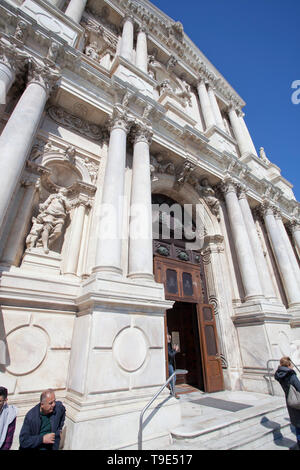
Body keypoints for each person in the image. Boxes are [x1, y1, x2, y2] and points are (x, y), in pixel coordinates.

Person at [274, 356, 300, 449]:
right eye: (291, 364)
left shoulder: (280, 375)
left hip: (290, 401)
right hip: (298, 401)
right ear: (289, 364)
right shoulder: (291, 375)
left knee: (297, 425)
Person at [167, 333, 179, 399]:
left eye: (170, 338)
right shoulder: (166, 345)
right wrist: (176, 351)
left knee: (172, 377)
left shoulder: (168, 345)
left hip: (170, 363)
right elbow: (170, 355)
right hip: (168, 364)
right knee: (173, 377)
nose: (170, 338)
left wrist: (174, 349)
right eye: (168, 337)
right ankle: (173, 392)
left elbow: (170, 353)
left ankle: (172, 391)